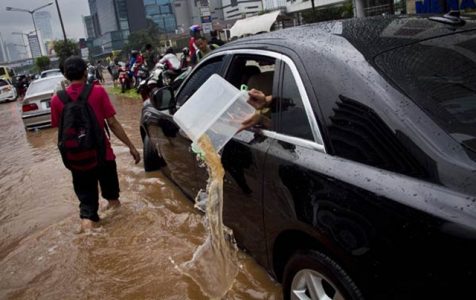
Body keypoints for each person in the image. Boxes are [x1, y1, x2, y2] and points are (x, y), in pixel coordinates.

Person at [50, 56, 141, 231]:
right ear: (85, 72)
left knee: (87, 210)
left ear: (66, 75)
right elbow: (113, 123)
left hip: (77, 160)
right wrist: (131, 146)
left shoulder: (56, 100)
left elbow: (60, 132)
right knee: (113, 201)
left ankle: (89, 236)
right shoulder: (97, 91)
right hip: (103, 156)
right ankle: (117, 235)